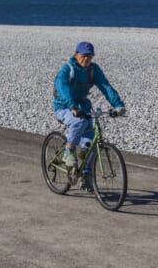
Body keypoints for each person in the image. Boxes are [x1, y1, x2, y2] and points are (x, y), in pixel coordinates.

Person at [53, 40, 125, 174]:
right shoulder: (68, 69)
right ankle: (69, 151)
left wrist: (118, 105)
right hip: (64, 107)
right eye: (83, 55)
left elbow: (105, 86)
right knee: (79, 122)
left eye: (89, 56)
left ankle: (87, 175)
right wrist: (73, 107)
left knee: (91, 144)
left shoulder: (93, 70)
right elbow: (63, 89)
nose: (86, 59)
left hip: (83, 107)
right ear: (76, 54)